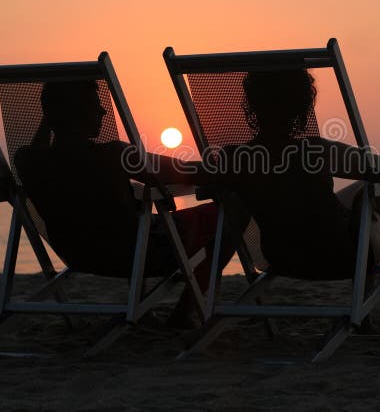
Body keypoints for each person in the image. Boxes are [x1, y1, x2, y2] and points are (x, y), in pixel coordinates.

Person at [15, 80, 247, 328]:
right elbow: (184, 171)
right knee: (236, 209)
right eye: (96, 106)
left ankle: (146, 307)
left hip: (78, 253)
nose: (104, 112)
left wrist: (49, 119)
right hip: (141, 254)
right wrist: (232, 172)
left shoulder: (27, 161)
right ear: (78, 115)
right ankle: (183, 313)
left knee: (134, 211)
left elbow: (39, 149)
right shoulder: (114, 155)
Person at [217, 69, 380, 303]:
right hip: (340, 258)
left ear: (252, 105)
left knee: (363, 190)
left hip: (279, 257)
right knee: (374, 195)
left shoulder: (234, 157)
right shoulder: (318, 151)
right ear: (302, 107)